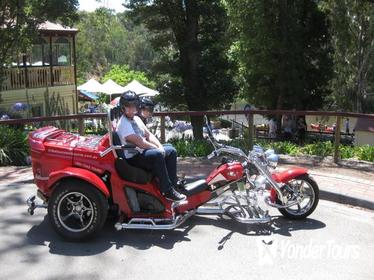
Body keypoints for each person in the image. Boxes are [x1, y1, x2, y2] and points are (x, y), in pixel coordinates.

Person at [116, 91, 186, 201]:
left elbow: (149, 135)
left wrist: (160, 146)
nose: (131, 109)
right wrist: (157, 149)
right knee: (157, 154)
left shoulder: (137, 119)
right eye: (128, 107)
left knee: (171, 150)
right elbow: (140, 143)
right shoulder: (123, 124)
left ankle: (173, 185)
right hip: (133, 157)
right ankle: (167, 190)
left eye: (133, 106)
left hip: (142, 152)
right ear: (123, 108)